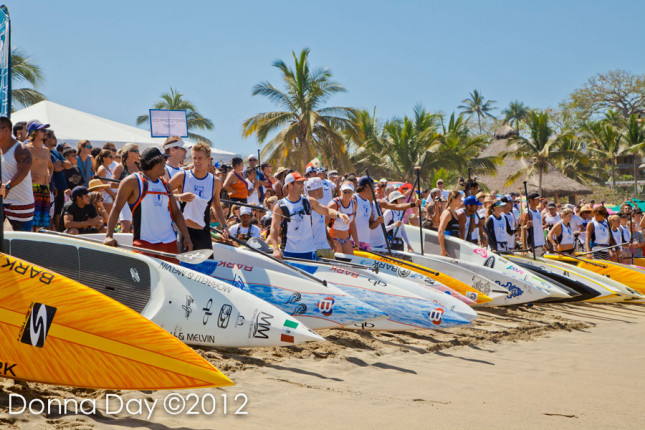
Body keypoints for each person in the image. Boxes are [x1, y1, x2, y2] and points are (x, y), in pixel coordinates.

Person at [104, 147, 192, 261]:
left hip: (169, 242)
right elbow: (116, 208)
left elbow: (176, 212)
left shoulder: (166, 184)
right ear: (153, 162)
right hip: (144, 243)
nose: (165, 163)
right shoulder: (131, 181)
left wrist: (187, 236)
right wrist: (108, 236)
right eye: (162, 160)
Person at [269, 172, 343, 260]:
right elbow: (274, 228)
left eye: (303, 182)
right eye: (299, 182)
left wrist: (339, 214)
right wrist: (275, 249)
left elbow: (326, 211)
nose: (303, 185)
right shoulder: (280, 206)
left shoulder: (309, 201)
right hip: (289, 252)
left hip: (309, 252)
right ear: (290, 185)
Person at [169, 142, 228, 253]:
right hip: (185, 232)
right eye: (194, 158)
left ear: (208, 159)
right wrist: (180, 197)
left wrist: (224, 226)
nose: (196, 161)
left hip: (203, 234)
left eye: (200, 158)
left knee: (205, 268)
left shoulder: (215, 181)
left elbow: (216, 205)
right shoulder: (183, 176)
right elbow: (161, 193)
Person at [0, 117, 35, 231]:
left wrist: (8, 186)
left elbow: (23, 171)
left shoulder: (21, 149)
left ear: (6, 130)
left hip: (21, 203)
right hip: (3, 201)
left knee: (22, 243)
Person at [305, 177, 347, 259]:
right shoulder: (307, 204)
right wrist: (339, 214)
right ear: (317, 190)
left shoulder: (318, 204)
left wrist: (330, 241)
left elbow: (322, 225)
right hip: (314, 249)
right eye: (322, 189)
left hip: (325, 247)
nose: (324, 192)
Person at [25, 120, 53, 230]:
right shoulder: (26, 148)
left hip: (45, 188)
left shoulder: (46, 150)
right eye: (42, 130)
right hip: (32, 187)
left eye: (45, 130)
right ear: (34, 132)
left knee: (42, 222)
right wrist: (27, 178)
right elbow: (19, 166)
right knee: (31, 219)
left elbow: (51, 166)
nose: (45, 132)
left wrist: (49, 174)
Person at [44, 129, 69, 230]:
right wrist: (61, 165)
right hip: (53, 187)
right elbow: (55, 167)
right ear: (47, 138)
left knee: (58, 213)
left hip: (61, 188)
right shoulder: (45, 151)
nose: (55, 139)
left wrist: (60, 165)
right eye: (53, 137)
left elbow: (69, 164)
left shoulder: (56, 153)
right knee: (51, 215)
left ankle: (58, 235)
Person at [112, 143, 140, 233]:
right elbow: (112, 184)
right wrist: (127, 185)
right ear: (128, 153)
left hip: (138, 199)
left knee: (137, 228)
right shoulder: (120, 167)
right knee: (125, 228)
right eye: (135, 151)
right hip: (124, 200)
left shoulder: (140, 166)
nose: (138, 153)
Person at [328, 182, 359, 254]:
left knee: (350, 261)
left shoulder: (354, 204)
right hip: (334, 238)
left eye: (350, 192)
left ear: (353, 192)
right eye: (345, 192)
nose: (347, 194)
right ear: (340, 191)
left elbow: (353, 224)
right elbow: (325, 224)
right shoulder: (334, 204)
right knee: (338, 262)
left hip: (346, 239)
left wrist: (356, 240)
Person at [437, 190, 464, 256]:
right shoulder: (447, 213)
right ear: (454, 199)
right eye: (459, 199)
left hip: (454, 247)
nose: (460, 202)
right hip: (448, 247)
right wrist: (443, 249)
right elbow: (440, 231)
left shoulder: (455, 213)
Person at [94, 149, 117, 214]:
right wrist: (113, 195)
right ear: (104, 158)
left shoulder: (108, 168)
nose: (113, 158)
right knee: (108, 218)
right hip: (106, 197)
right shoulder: (102, 169)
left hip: (110, 196)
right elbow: (103, 185)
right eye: (111, 156)